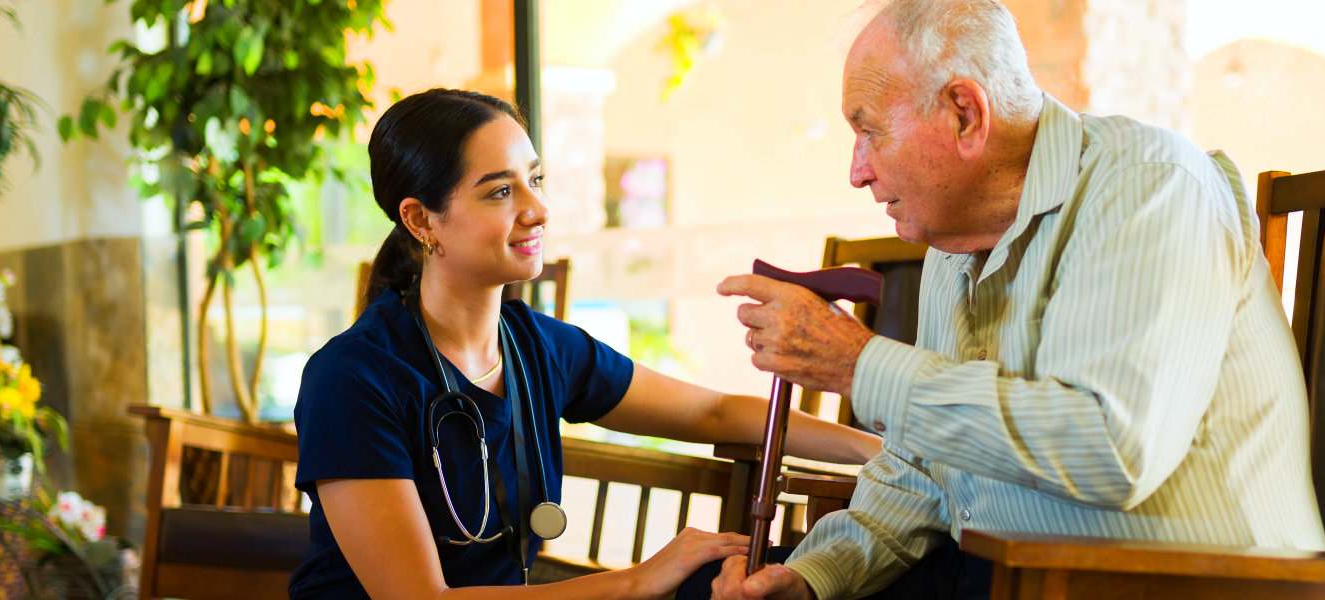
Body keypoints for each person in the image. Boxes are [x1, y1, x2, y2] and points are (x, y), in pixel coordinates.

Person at [703, 1, 1325, 598]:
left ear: (965, 115)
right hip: (1007, 575)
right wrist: (813, 577)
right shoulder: (954, 246)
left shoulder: (1152, 186)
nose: (857, 170)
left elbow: (1112, 451)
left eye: (868, 131)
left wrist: (859, 365)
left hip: (1180, 585)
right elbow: (919, 472)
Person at [290, 88, 882, 600]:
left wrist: (878, 451)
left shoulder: (536, 349)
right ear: (422, 220)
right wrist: (634, 582)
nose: (538, 209)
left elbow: (714, 411)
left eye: (536, 180)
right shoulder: (352, 377)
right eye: (500, 192)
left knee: (753, 580)